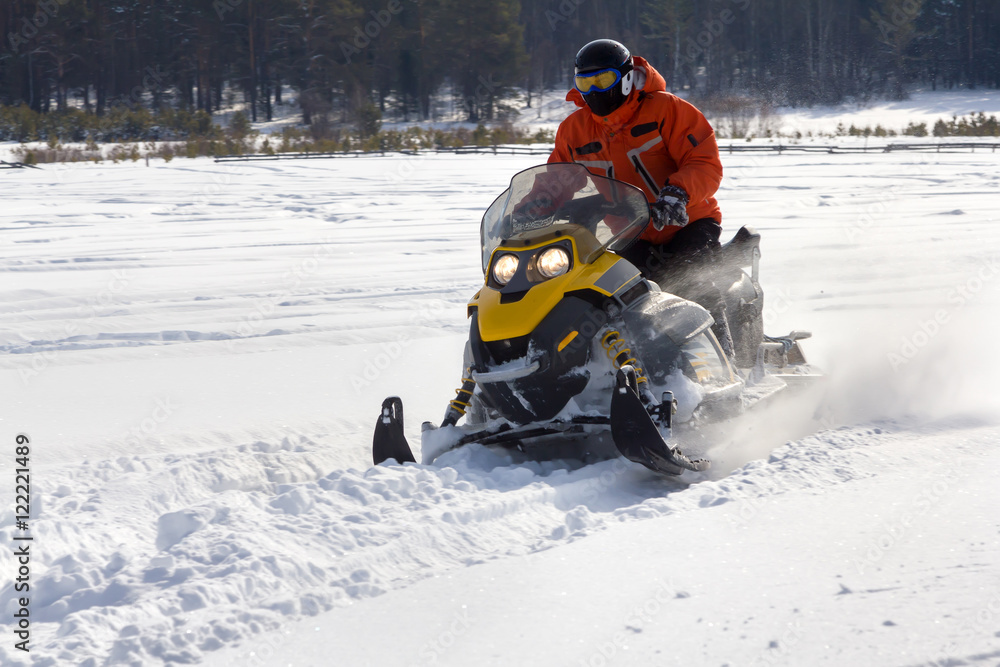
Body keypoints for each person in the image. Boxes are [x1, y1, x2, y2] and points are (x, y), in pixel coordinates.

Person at [549, 38, 735, 358]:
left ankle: (725, 364)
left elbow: (703, 161)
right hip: (629, 232)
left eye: (602, 80)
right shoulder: (574, 130)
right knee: (612, 300)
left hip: (687, 221)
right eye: (584, 82)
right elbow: (556, 180)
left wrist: (677, 193)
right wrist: (535, 208)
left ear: (625, 79)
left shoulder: (667, 109)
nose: (593, 91)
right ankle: (628, 372)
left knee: (695, 285)